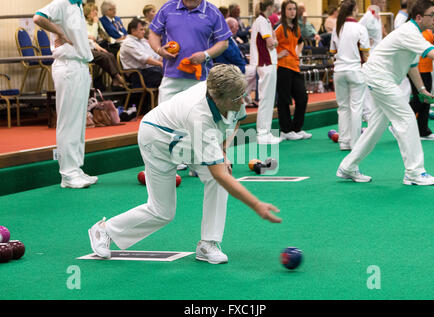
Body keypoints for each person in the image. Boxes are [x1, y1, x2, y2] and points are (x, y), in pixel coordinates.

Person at [88, 64, 282, 264]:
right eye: (236, 98)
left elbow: (237, 120)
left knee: (220, 175)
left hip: (186, 138)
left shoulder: (232, 92)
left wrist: (223, 150)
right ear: (218, 97)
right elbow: (219, 175)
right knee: (162, 212)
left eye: (243, 95)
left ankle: (208, 244)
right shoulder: (199, 114)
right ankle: (103, 230)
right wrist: (256, 204)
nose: (242, 101)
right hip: (157, 139)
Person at [336, 0, 434, 186]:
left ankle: (348, 167)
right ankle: (414, 172)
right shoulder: (409, 32)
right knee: (406, 118)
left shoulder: (416, 34)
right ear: (419, 17)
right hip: (379, 78)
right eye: (432, 15)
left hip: (382, 79)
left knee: (376, 128)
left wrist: (421, 89)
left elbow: (412, 66)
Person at [34, 0, 97, 189]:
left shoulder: (77, 6)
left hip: (80, 65)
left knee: (78, 121)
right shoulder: (62, 2)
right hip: (68, 65)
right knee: (68, 120)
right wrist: (59, 32)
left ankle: (76, 169)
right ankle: (67, 173)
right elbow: (38, 17)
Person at [148, 0, 231, 104]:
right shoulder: (168, 8)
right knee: (166, 118)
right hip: (170, 78)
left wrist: (205, 55)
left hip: (200, 79)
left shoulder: (213, 12)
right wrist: (159, 50)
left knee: (197, 119)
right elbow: (153, 33)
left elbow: (223, 42)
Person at [330, 0, 370, 150]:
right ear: (355, 9)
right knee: (356, 107)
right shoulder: (360, 28)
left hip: (339, 71)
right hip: (355, 70)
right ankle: (355, 142)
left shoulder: (337, 28)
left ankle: (344, 141)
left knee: (343, 107)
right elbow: (365, 53)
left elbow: (332, 53)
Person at [274, 0, 311, 141]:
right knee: (284, 99)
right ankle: (286, 130)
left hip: (294, 66)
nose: (292, 11)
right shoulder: (279, 29)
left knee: (302, 97)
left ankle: (296, 128)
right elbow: (267, 45)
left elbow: (300, 41)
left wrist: (298, 53)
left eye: (294, 9)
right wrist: (277, 55)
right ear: (284, 11)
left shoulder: (296, 28)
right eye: (289, 9)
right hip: (282, 67)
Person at [249, 0, 283, 145]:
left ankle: (266, 132)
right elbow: (271, 42)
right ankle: (263, 134)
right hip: (266, 62)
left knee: (268, 99)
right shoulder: (262, 21)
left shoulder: (263, 20)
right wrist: (275, 41)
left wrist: (274, 41)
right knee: (266, 99)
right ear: (270, 8)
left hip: (266, 63)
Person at [83, 2, 126, 90]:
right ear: (87, 13)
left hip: (100, 45)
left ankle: (115, 78)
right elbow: (93, 37)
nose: (96, 13)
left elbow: (105, 35)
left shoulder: (98, 21)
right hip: (91, 47)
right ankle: (117, 77)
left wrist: (117, 40)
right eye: (93, 11)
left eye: (96, 10)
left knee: (111, 54)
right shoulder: (84, 23)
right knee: (108, 55)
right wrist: (95, 23)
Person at [409, 28, 434, 141]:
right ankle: (398, 124)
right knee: (419, 100)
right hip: (418, 69)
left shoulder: (429, 31)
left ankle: (423, 130)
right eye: (432, 15)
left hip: (427, 68)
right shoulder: (417, 32)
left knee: (426, 99)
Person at [358, 0, 386, 122]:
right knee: (367, 83)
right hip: (369, 55)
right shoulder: (368, 16)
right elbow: (358, 29)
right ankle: (366, 112)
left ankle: (372, 111)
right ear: (375, 1)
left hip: (378, 54)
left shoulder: (377, 16)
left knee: (375, 83)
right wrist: (365, 40)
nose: (384, 3)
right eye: (382, 1)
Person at [120, 18, 163, 89]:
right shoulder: (128, 43)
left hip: (148, 71)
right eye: (141, 29)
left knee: (171, 72)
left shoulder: (142, 41)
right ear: (133, 30)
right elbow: (144, 59)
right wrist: (160, 64)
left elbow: (155, 56)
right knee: (167, 77)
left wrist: (165, 61)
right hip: (137, 75)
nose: (144, 32)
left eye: (144, 29)